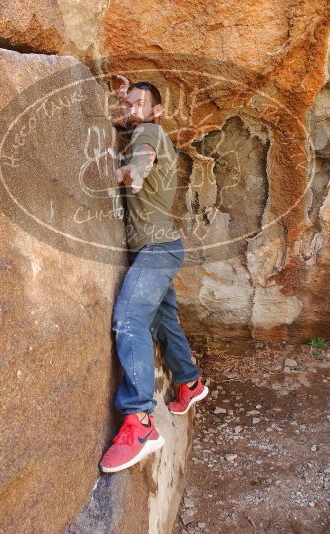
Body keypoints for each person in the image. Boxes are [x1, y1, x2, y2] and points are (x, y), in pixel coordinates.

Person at [99, 77, 208, 474]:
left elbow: (142, 155)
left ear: (156, 111)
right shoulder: (147, 130)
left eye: (139, 103)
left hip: (156, 251)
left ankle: (140, 423)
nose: (131, 110)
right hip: (165, 249)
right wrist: (120, 96)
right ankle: (189, 381)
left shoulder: (149, 132)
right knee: (164, 321)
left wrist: (131, 172)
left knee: (130, 319)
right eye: (127, 104)